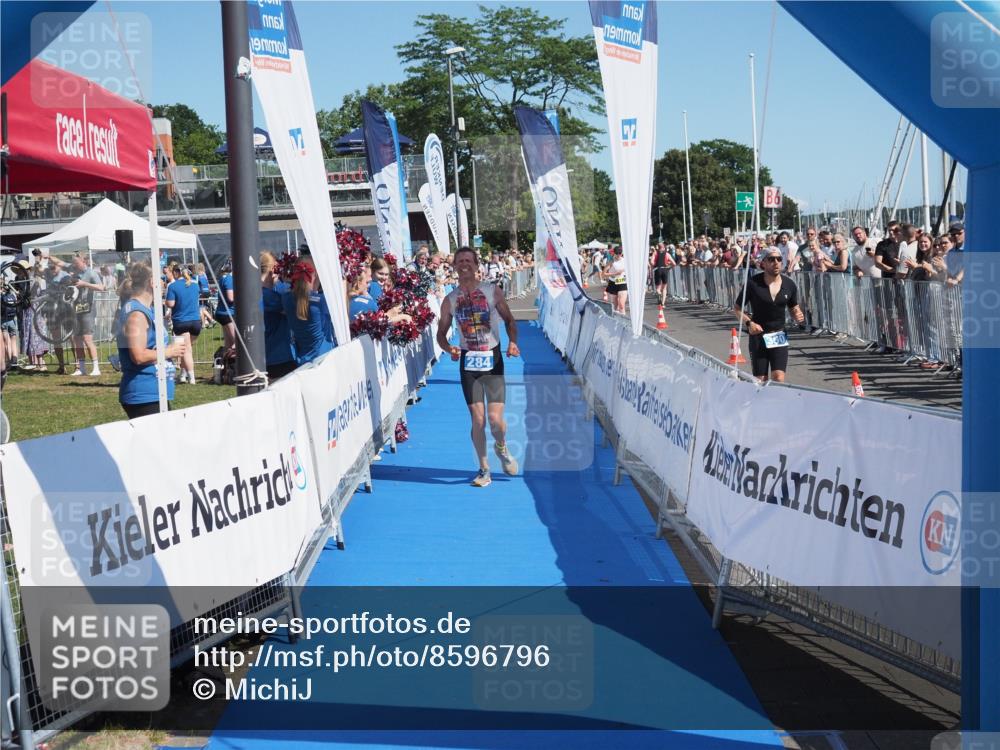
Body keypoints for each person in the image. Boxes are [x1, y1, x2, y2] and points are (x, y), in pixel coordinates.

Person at [435, 246, 519, 488]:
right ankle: (484, 468)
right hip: (468, 361)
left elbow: (510, 320)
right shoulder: (449, 300)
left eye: (468, 260)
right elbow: (441, 333)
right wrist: (448, 348)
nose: (464, 264)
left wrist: (513, 342)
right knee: (478, 419)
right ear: (454, 267)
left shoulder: (492, 292)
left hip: (492, 358)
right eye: (459, 261)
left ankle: (501, 446)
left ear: (476, 265)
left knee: (495, 420)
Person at [116, 262, 187, 419]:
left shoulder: (146, 309)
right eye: (160, 278)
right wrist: (169, 351)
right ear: (151, 282)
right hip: (144, 393)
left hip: (154, 392)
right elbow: (138, 355)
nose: (163, 283)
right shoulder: (137, 314)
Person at [734, 247, 805, 383]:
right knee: (761, 380)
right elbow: (737, 308)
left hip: (778, 335)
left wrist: (797, 313)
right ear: (763, 263)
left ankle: (777, 404)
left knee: (778, 378)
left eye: (779, 259)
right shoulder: (753, 283)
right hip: (758, 336)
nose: (776, 262)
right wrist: (749, 323)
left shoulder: (789, 284)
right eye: (771, 259)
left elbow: (793, 306)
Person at [282, 257, 335, 366]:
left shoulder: (286, 299)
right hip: (323, 361)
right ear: (315, 276)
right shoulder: (321, 302)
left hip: (302, 362)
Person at [260, 251, 296, 380]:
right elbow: (293, 307)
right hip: (279, 357)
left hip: (268, 355)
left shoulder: (262, 293)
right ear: (271, 270)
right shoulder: (268, 296)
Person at [68, 252, 104, 376]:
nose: (74, 265)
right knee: (77, 338)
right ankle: (81, 368)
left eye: (76, 263)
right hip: (76, 309)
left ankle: (96, 368)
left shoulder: (91, 273)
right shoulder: (75, 272)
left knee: (87, 339)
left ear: (84, 262)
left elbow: (101, 287)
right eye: (74, 263)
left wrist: (85, 284)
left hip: (88, 310)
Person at [165, 263, 202, 384]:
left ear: (176, 273)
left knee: (186, 350)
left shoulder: (173, 286)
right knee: (187, 348)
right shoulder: (195, 285)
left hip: (181, 322)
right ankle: (183, 374)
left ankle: (191, 377)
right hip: (196, 322)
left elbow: (170, 304)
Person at [214, 260, 236, 353]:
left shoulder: (224, 278)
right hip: (228, 314)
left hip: (223, 313)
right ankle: (234, 365)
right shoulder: (229, 279)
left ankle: (225, 365)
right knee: (237, 343)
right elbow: (231, 298)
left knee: (229, 344)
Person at [602, 246, 628, 314]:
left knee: (621, 305)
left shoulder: (626, 261)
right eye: (617, 253)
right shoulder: (611, 262)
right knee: (615, 307)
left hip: (623, 283)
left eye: (620, 253)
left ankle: (624, 322)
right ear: (614, 253)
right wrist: (615, 273)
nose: (619, 255)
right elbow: (603, 274)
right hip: (613, 283)